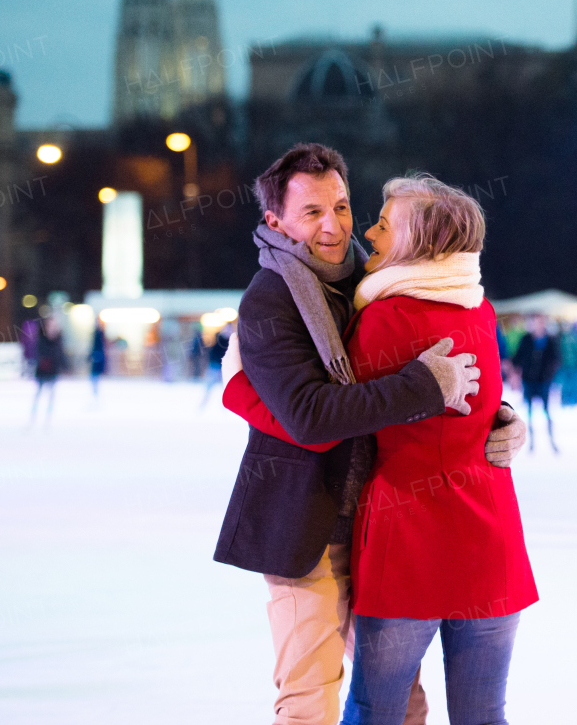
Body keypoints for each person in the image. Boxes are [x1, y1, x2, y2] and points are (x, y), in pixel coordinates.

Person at [211, 145, 526, 725]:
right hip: (310, 525)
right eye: (311, 212)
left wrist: (494, 415)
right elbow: (311, 415)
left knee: (402, 702)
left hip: (379, 524)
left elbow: (420, 366)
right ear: (274, 221)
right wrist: (427, 388)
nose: (333, 225)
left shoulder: (372, 275)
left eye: (342, 206)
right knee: (310, 700)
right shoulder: (270, 299)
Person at [512, 313, 560, 452]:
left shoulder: (550, 340)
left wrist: (551, 375)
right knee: (529, 412)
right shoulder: (526, 339)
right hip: (528, 380)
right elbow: (518, 358)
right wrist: (515, 374)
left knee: (547, 411)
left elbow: (556, 358)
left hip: (543, 380)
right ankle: (530, 442)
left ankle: (551, 440)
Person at [30, 316, 67, 427]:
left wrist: (64, 366)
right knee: (39, 394)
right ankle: (33, 418)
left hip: (53, 371)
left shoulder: (58, 339)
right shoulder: (41, 339)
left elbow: (60, 354)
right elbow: (39, 354)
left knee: (51, 396)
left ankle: (48, 419)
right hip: (42, 371)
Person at [558, 321, 577, 406]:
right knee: (573, 383)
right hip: (573, 364)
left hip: (565, 364)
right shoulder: (575, 338)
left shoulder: (563, 338)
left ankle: (565, 400)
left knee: (565, 383)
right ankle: (573, 400)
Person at [89, 322, 107, 398]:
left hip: (97, 356)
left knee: (95, 374)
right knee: (94, 375)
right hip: (96, 355)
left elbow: (96, 346)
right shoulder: (97, 333)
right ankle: (95, 391)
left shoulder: (99, 334)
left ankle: (96, 391)